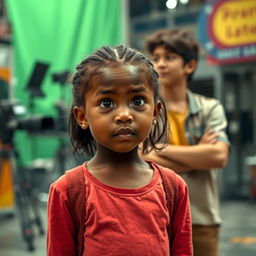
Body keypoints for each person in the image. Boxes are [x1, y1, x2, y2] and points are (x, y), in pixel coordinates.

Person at [47, 45, 193, 256]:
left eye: (138, 101)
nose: (124, 115)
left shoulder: (173, 188)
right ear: (82, 116)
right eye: (106, 102)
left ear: (155, 111)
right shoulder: (69, 192)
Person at [143, 28, 230, 256]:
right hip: (156, 217)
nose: (160, 64)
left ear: (189, 66)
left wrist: (157, 152)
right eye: (156, 58)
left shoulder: (210, 108)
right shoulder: (144, 110)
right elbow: (141, 159)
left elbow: (219, 157)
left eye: (169, 58)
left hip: (201, 218)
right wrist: (198, 156)